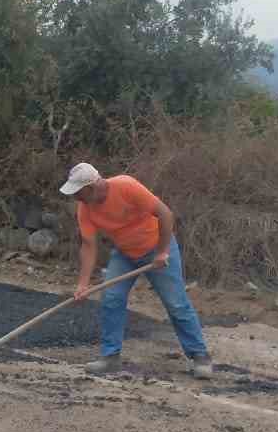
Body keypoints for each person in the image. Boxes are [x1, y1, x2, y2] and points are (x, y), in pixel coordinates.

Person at [60, 162, 213, 379]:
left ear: (92, 187)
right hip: (125, 254)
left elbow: (165, 214)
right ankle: (110, 357)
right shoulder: (85, 207)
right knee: (111, 298)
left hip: (157, 247)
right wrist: (83, 284)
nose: (76, 197)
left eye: (79, 192)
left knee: (176, 303)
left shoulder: (126, 186)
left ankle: (200, 356)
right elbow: (88, 245)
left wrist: (161, 252)